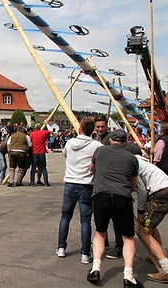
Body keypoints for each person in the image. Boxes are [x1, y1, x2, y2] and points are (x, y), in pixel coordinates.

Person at [87, 128, 143, 288]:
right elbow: (133, 185)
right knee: (127, 236)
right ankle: (128, 275)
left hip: (101, 195)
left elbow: (91, 168)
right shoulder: (132, 158)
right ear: (125, 142)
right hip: (122, 196)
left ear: (111, 140)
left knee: (100, 232)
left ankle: (95, 269)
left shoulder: (99, 151)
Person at [56, 117, 103, 264]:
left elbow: (65, 154)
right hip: (86, 183)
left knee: (65, 217)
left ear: (80, 129)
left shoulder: (70, 143)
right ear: (93, 130)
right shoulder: (96, 145)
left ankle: (61, 247)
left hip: (70, 182)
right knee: (85, 220)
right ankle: (85, 253)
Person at [133, 152, 168, 285]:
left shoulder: (133, 164)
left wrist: (140, 211)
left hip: (161, 195)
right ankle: (157, 255)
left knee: (143, 231)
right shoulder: (142, 162)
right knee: (150, 227)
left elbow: (142, 191)